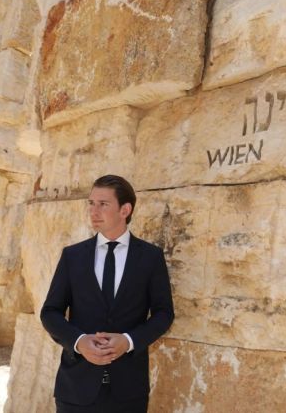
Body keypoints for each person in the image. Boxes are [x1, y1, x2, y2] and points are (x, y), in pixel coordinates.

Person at [41, 175, 174, 413]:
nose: (93, 211)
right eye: (91, 203)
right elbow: (50, 312)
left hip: (129, 391)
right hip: (76, 389)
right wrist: (79, 342)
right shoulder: (72, 256)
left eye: (103, 204)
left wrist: (129, 341)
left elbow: (164, 314)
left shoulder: (151, 257)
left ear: (125, 210)